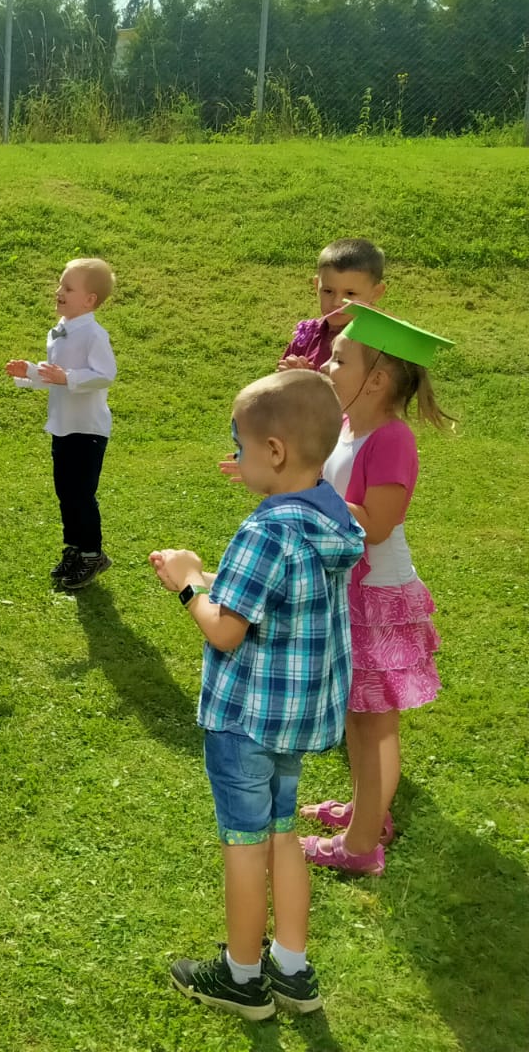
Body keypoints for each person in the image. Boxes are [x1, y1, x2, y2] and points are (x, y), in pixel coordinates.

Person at [150, 369, 363, 1022]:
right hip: (296, 719)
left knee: (244, 843)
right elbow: (274, 591)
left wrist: (189, 584)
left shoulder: (265, 531)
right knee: (282, 832)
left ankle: (242, 978)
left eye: (241, 447)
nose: (236, 458)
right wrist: (213, 577)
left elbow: (225, 629)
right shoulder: (328, 513)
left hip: (246, 720)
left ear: (274, 451)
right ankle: (292, 970)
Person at [300, 304, 453, 876]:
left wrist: (310, 493)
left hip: (378, 601)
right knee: (358, 718)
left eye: (340, 360)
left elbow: (380, 523)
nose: (327, 365)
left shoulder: (391, 439)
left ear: (378, 380)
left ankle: (362, 846)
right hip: (350, 591)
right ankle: (367, 813)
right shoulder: (348, 428)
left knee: (375, 724)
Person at [3, 258, 118, 591]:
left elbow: (105, 375)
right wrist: (29, 373)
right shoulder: (58, 332)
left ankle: (93, 553)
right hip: (63, 426)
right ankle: (75, 548)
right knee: (66, 492)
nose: (59, 291)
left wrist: (68, 377)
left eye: (68, 288)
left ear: (89, 300)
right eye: (60, 285)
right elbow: (54, 378)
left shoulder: (94, 334)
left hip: (88, 429)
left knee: (81, 493)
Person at [279, 239, 387, 372]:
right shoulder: (307, 336)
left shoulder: (378, 347)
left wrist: (310, 379)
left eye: (350, 293)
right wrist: (290, 374)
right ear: (317, 285)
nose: (337, 303)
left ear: (376, 293)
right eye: (328, 291)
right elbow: (280, 381)